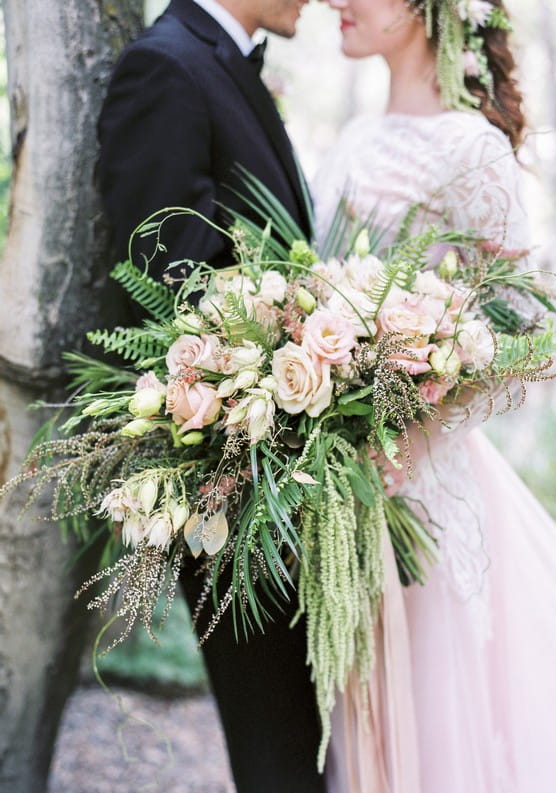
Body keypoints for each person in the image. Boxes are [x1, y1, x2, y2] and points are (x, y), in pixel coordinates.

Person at [313, 1, 556, 791]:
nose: (336, 1)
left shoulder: (470, 148)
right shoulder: (355, 136)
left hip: (421, 497)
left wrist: (407, 437)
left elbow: (527, 337)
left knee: (437, 735)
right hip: (341, 493)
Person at [97, 3, 326, 792]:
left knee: (309, 741)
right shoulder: (164, 68)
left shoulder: (217, 62)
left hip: (289, 477)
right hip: (232, 484)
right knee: (281, 748)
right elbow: (169, 291)